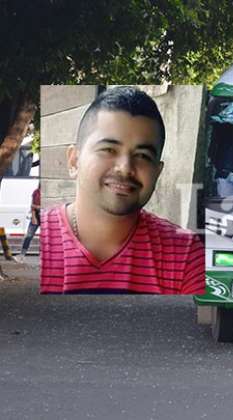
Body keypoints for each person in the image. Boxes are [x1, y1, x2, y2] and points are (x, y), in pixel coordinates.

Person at [40, 86, 205, 294]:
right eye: (108, 150)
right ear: (74, 161)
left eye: (143, 155)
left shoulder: (184, 256)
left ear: (157, 172)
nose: (125, 168)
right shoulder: (42, 242)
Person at [16, 185, 40, 262]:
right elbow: (32, 205)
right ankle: (22, 255)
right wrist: (33, 217)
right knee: (29, 236)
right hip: (36, 216)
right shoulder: (36, 192)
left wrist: (38, 207)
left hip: (46, 216)